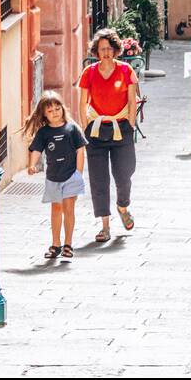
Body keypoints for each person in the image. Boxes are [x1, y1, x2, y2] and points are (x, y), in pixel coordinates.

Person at [78, 28, 140, 243]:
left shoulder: (125, 70)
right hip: (96, 131)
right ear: (96, 51)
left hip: (121, 128)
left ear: (115, 50)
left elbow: (132, 101)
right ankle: (105, 226)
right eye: (101, 49)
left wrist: (130, 124)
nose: (105, 53)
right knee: (98, 179)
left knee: (125, 173)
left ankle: (123, 206)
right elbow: (82, 102)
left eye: (109, 49)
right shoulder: (89, 72)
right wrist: (85, 127)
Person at [23, 91, 87, 260]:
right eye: (50, 111)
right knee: (56, 209)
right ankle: (55, 244)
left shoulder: (72, 128)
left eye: (57, 109)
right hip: (53, 177)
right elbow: (36, 150)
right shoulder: (43, 132)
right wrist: (31, 165)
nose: (55, 113)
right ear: (44, 114)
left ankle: (68, 244)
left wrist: (78, 173)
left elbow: (80, 150)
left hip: (71, 176)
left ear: (62, 109)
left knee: (69, 209)